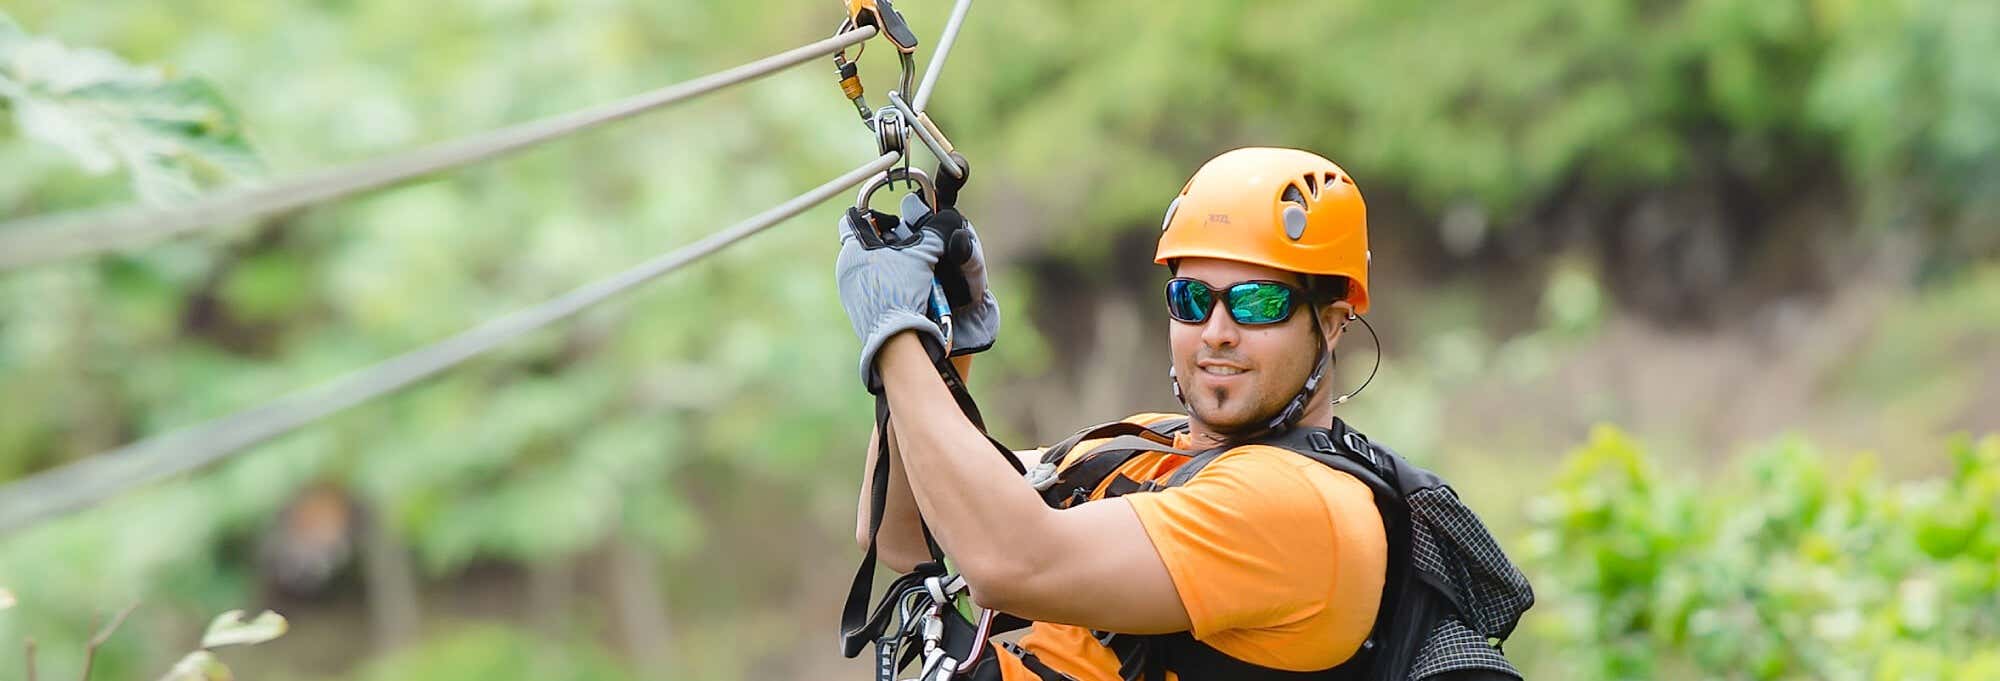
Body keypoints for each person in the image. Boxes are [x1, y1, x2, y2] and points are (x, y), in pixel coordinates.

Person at [836, 147, 1498, 680]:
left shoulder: (1304, 508)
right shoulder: (1152, 447)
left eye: (1257, 303)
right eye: (1191, 298)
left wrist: (894, 335)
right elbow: (906, 531)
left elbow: (1009, 562)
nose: (1216, 331)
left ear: (1330, 324)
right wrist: (942, 341)